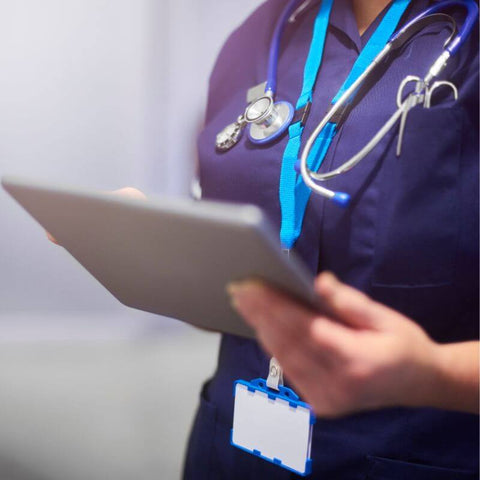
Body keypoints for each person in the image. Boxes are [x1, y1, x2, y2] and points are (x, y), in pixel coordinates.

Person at [182, 0, 479, 479]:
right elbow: (221, 281)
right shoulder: (260, 34)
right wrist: (148, 256)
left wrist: (436, 374)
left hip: (412, 456)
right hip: (230, 446)